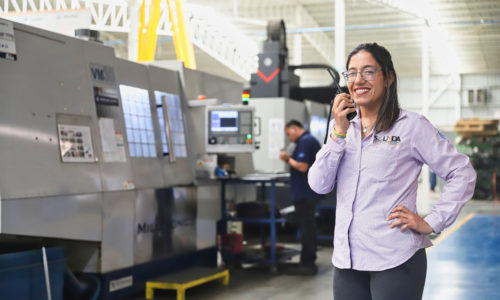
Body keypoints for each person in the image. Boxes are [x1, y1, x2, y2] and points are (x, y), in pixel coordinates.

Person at [308, 43, 476, 299]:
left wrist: (432, 221)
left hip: (395, 259)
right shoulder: (342, 128)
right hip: (347, 261)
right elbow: (318, 184)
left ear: (388, 77)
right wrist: (338, 133)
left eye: (368, 71)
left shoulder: (411, 127)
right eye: (351, 73)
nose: (358, 80)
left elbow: (462, 172)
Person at [279, 120, 323, 275]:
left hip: (305, 194)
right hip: (307, 193)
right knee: (308, 227)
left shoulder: (305, 141)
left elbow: (302, 166)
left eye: (288, 133)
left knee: (306, 228)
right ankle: (308, 261)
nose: (289, 137)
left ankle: (307, 264)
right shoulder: (308, 140)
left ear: (295, 128)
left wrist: (287, 159)